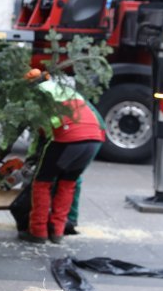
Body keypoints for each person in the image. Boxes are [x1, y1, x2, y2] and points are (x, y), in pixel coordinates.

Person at [13, 70, 105, 244]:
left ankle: (38, 232)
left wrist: (33, 157)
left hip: (69, 137)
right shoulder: (66, 89)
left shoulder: (38, 94)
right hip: (94, 138)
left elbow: (44, 130)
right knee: (67, 184)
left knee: (42, 183)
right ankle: (57, 232)